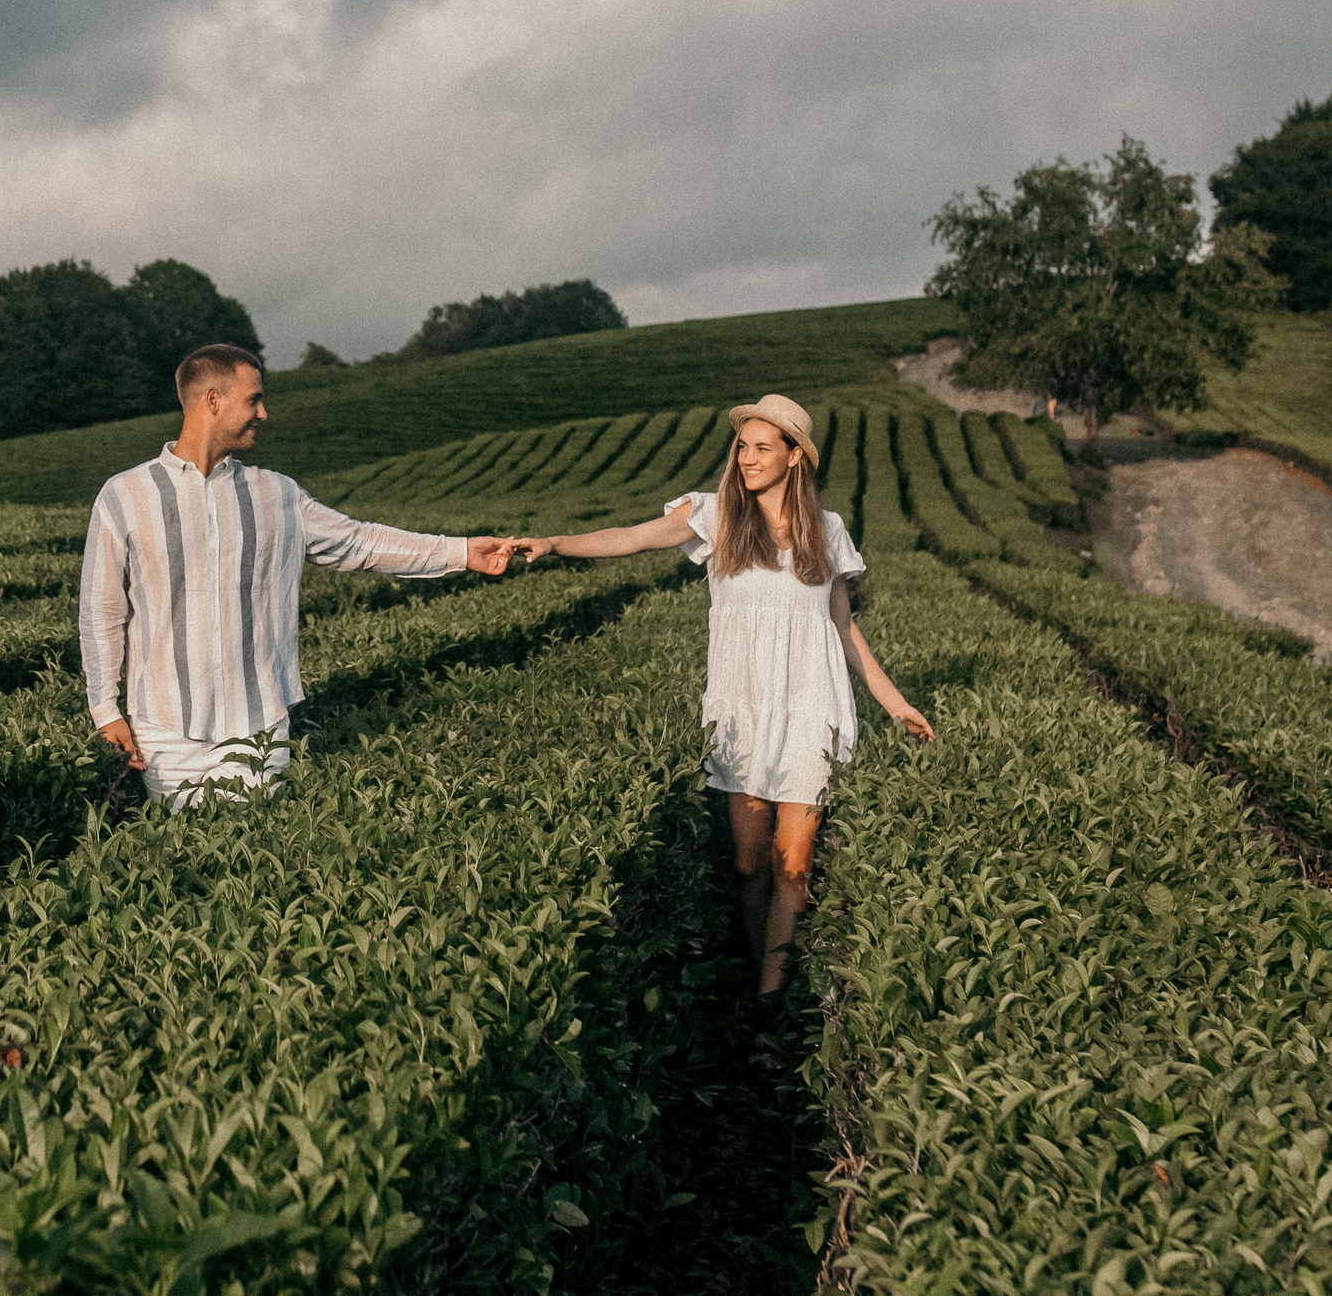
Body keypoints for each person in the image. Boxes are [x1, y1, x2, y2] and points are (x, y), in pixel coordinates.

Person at [512, 394, 932, 993]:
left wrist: (896, 704)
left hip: (811, 708)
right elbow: (632, 537)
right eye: (742, 446)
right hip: (743, 711)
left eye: (763, 447)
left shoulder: (827, 529)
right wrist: (556, 543)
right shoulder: (714, 515)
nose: (747, 458)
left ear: (794, 457)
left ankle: (768, 1001)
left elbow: (843, 628)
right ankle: (761, 971)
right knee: (747, 865)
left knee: (794, 867)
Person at [81, 343, 517, 809]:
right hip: (164, 728)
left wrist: (461, 551)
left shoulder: (277, 494)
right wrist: (105, 710)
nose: (263, 413)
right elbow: (102, 611)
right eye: (253, 399)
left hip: (258, 725)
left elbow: (360, 542)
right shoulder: (124, 495)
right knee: (180, 849)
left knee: (253, 846)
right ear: (213, 400)